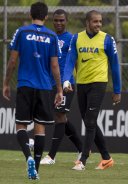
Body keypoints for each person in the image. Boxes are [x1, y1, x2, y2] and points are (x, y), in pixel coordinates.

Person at [2, 2, 62, 180]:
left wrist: (5, 83)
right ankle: (35, 169)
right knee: (40, 127)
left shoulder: (22, 32)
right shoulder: (52, 36)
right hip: (44, 86)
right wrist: (59, 89)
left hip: (25, 84)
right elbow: (54, 65)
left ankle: (28, 157)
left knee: (21, 125)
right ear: (45, 17)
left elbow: (12, 61)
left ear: (30, 15)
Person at [63, 10, 121, 171]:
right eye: (95, 21)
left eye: (100, 22)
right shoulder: (77, 38)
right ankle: (107, 158)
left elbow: (115, 66)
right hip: (81, 84)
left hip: (99, 83)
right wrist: (66, 80)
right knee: (90, 121)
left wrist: (117, 90)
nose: (99, 25)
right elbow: (70, 60)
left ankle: (83, 159)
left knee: (89, 121)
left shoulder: (107, 39)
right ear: (87, 23)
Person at [40, 9, 83, 165]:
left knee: (60, 116)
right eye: (56, 20)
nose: (59, 23)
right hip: (50, 84)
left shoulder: (71, 39)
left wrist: (78, 81)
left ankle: (51, 156)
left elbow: (75, 61)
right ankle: (82, 148)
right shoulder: (48, 37)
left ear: (67, 21)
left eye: (62, 20)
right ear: (52, 21)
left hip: (66, 84)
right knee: (61, 117)